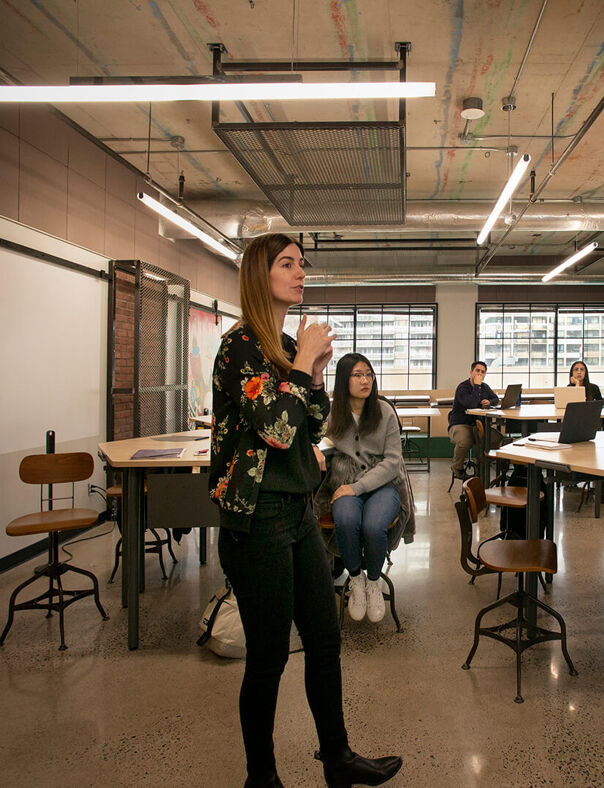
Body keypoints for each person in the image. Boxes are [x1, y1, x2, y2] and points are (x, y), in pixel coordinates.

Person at [209, 233, 402, 788]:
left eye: (301, 264)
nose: (300, 273)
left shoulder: (282, 346)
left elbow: (310, 424)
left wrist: (313, 375)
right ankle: (261, 778)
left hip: (295, 511)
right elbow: (273, 428)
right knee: (268, 658)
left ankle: (337, 759)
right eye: (287, 264)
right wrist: (300, 365)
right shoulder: (240, 345)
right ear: (258, 275)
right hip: (257, 517)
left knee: (323, 639)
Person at [321, 353, 412, 624]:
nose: (365, 380)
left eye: (369, 374)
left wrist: (358, 487)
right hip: (344, 483)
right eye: (358, 375)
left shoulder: (384, 412)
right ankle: (356, 578)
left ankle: (374, 580)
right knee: (347, 520)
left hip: (384, 486)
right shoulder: (332, 413)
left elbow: (393, 462)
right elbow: (320, 443)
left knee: (373, 526)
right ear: (343, 380)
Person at [447, 361, 499, 479]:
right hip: (460, 424)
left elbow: (496, 399)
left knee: (497, 439)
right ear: (471, 372)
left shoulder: (485, 387)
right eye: (477, 371)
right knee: (465, 441)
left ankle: (482, 463)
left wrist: (489, 402)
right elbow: (470, 403)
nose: (480, 374)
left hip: (478, 425)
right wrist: (476, 386)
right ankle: (457, 467)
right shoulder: (462, 387)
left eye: (483, 372)